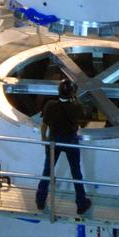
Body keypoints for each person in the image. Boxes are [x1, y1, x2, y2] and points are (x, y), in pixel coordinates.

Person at [36, 81, 92, 215]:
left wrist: (43, 137)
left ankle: (40, 200)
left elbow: (44, 124)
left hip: (53, 140)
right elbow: (82, 117)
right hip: (70, 141)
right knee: (76, 172)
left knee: (47, 170)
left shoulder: (50, 105)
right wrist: (76, 100)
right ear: (72, 94)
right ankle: (81, 203)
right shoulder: (75, 107)